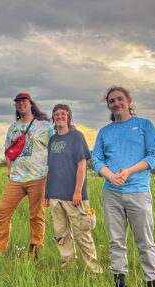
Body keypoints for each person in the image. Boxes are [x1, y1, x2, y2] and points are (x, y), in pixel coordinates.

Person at [92, 86, 155, 287]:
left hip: (138, 191)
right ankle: (119, 286)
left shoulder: (144, 125)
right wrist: (110, 176)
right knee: (116, 240)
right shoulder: (105, 131)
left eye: (119, 99)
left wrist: (129, 170)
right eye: (111, 101)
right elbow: (97, 159)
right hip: (111, 193)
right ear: (108, 105)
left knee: (145, 241)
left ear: (129, 100)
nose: (116, 103)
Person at [44, 104, 103, 273]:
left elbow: (82, 164)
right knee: (62, 235)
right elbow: (51, 168)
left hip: (74, 196)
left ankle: (93, 271)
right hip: (55, 195)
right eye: (56, 114)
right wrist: (46, 194)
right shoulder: (53, 140)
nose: (59, 116)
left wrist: (77, 191)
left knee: (82, 234)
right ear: (53, 118)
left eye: (63, 114)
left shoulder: (77, 137)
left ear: (69, 116)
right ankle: (68, 269)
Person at [0, 93, 53, 258]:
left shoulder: (45, 126)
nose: (21, 104)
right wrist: (9, 169)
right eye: (18, 102)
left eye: (24, 101)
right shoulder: (13, 127)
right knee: (3, 210)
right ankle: (0, 249)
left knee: (36, 215)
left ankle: (35, 251)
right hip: (17, 178)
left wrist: (49, 171)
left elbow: (53, 150)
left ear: (30, 104)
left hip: (39, 177)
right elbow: (7, 149)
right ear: (16, 106)